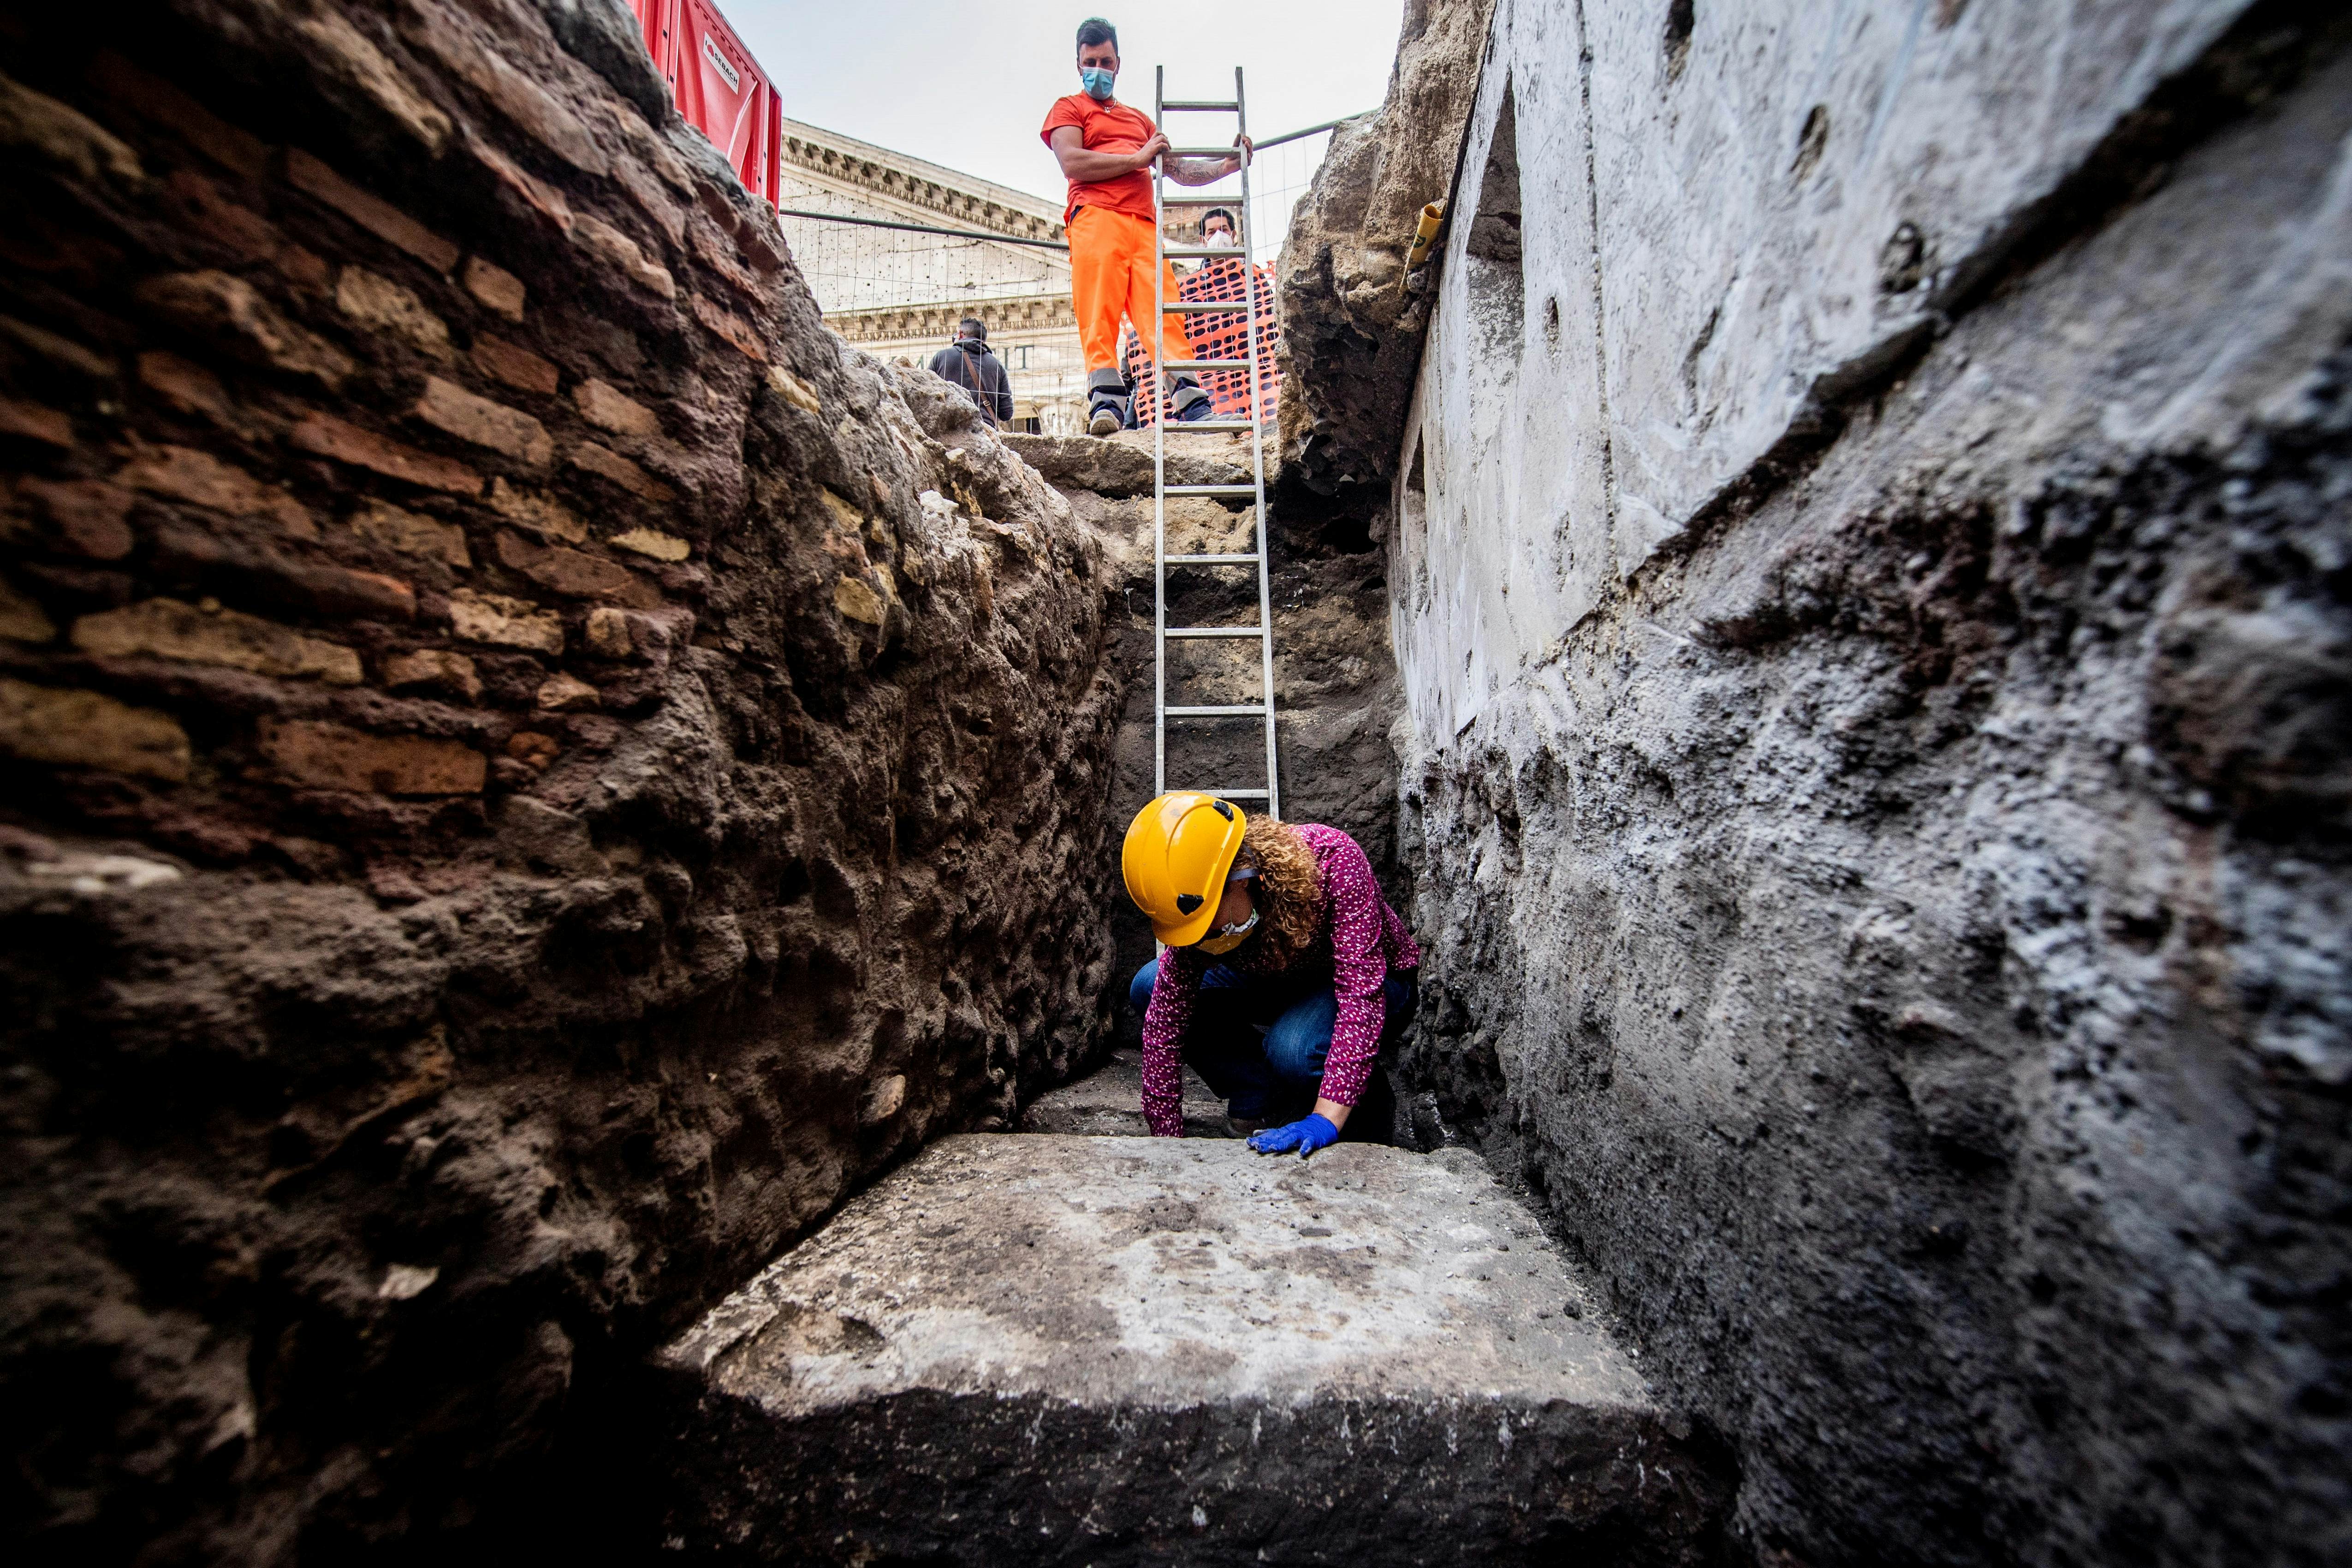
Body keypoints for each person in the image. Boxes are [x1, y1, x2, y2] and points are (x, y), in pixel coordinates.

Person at [1121, 792, 1420, 1155]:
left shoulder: (1334, 862)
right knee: (1149, 987)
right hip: (1279, 979)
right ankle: (1258, 1091)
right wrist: (1166, 1138)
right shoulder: (1201, 906)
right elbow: (1165, 1023)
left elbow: (1361, 997)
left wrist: (1324, 1119)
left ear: (1239, 881)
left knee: (1295, 1049)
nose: (1198, 940)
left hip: (1376, 983)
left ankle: (1365, 1119)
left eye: (1207, 926)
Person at [1042, 18, 1251, 436]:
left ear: (1118, 63)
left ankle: (1194, 408)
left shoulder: (1139, 120)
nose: (1097, 68)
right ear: (1078, 63)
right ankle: (1106, 405)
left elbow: (1177, 170)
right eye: (1089, 62)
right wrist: (1137, 160)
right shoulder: (1070, 108)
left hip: (1143, 225)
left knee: (1164, 315)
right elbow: (1072, 161)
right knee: (1099, 312)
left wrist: (1226, 164)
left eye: (1104, 61)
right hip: (1096, 215)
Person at [926, 317, 1014, 428]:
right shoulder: (997, 366)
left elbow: (926, 396)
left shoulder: (941, 357)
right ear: (983, 341)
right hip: (984, 433)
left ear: (961, 335)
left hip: (948, 429)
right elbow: (1007, 413)